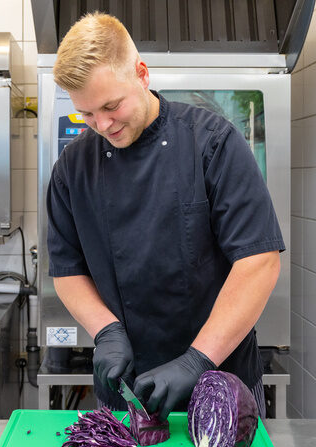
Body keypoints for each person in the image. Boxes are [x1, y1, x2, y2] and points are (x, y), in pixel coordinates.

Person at [47, 12, 285, 420]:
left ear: (141, 74)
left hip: (221, 384)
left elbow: (259, 262)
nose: (102, 124)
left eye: (111, 105)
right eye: (85, 114)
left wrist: (197, 361)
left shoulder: (213, 145)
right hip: (127, 394)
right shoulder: (73, 168)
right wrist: (106, 330)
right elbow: (67, 269)